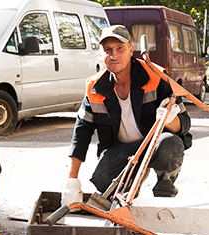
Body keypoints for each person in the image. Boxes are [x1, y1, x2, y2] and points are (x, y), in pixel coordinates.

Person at [63, 24, 192, 204]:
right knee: (103, 181)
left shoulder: (155, 77)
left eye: (119, 49)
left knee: (170, 143)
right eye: (107, 50)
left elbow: (184, 124)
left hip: (154, 143)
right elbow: (81, 134)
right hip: (120, 149)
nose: (113, 55)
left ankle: (165, 195)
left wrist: (169, 119)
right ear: (100, 54)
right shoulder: (95, 88)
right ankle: (128, 193)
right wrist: (72, 182)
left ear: (131, 50)